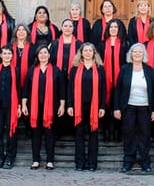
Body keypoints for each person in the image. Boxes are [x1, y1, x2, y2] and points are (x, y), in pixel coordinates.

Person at [113, 43, 154, 173]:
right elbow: (118, 90)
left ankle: (145, 162)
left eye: (140, 51)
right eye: (135, 51)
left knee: (145, 134)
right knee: (129, 134)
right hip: (128, 107)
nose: (137, 54)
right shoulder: (125, 69)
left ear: (144, 54)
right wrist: (116, 108)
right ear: (131, 54)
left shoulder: (149, 70)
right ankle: (128, 161)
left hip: (145, 107)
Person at [21, 44, 66, 170]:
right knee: (36, 134)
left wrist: (62, 106)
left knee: (49, 134)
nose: (43, 55)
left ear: (49, 55)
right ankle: (35, 160)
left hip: (51, 108)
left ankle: (50, 161)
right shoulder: (31, 70)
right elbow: (25, 89)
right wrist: (24, 104)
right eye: (40, 53)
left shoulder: (56, 70)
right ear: (37, 56)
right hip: (34, 108)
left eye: (45, 52)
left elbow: (62, 89)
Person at [67, 43, 106, 171]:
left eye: (90, 50)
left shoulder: (100, 68)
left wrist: (102, 106)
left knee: (93, 134)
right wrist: (70, 105)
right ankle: (79, 163)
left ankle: (92, 163)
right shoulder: (75, 68)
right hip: (78, 106)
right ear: (81, 53)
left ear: (94, 53)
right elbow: (70, 89)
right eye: (85, 50)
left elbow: (103, 89)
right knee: (79, 134)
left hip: (94, 106)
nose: (88, 53)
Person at [0, 46, 21, 169]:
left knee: (11, 132)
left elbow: (18, 88)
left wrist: (19, 106)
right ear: (1, 56)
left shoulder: (16, 70)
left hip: (11, 105)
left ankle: (10, 158)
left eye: (9, 54)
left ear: (12, 56)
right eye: (5, 53)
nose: (7, 56)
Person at [98, 19, 128, 142]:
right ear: (108, 29)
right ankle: (105, 131)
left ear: (119, 29)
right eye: (111, 27)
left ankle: (118, 132)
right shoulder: (101, 44)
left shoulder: (125, 44)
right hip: (105, 79)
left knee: (119, 105)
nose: (113, 29)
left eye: (116, 27)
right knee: (105, 105)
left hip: (120, 79)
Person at [11, 24, 34, 89]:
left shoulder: (33, 48)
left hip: (29, 80)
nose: (21, 32)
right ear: (15, 33)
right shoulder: (9, 47)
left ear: (27, 33)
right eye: (18, 30)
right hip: (11, 80)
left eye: (23, 30)